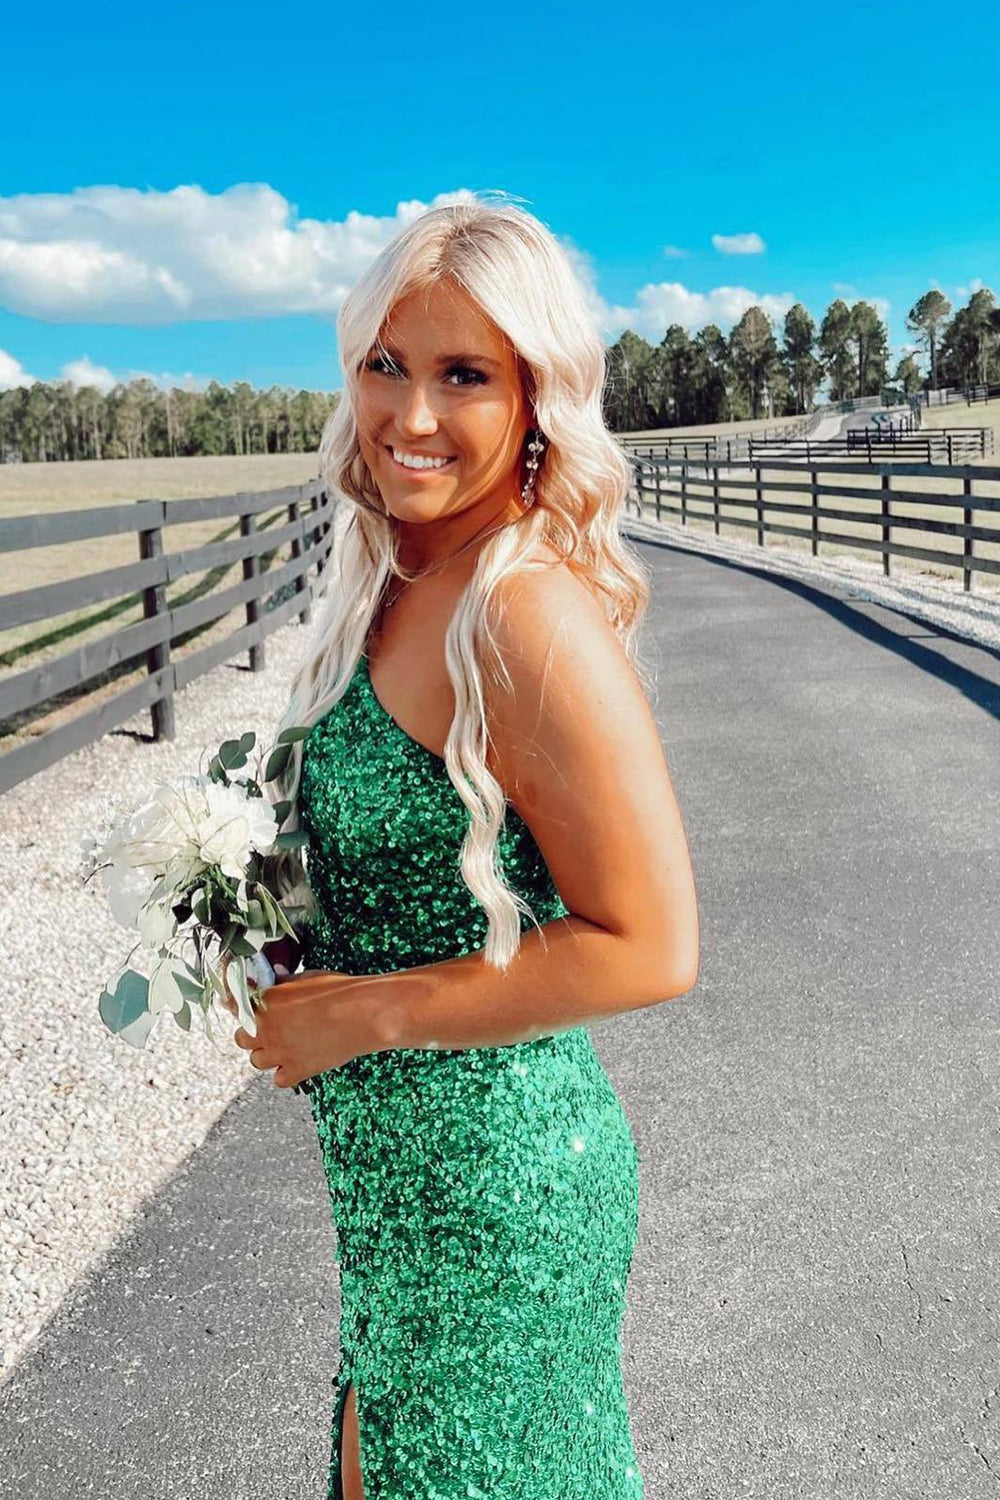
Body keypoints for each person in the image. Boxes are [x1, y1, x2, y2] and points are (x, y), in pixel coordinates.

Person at [224, 194, 699, 1500]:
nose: (411, 416)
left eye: (463, 376)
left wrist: (368, 1013)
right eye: (387, 363)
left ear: (538, 400)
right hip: (397, 1200)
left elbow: (654, 945)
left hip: (497, 1208)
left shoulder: (524, 614)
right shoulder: (400, 579)